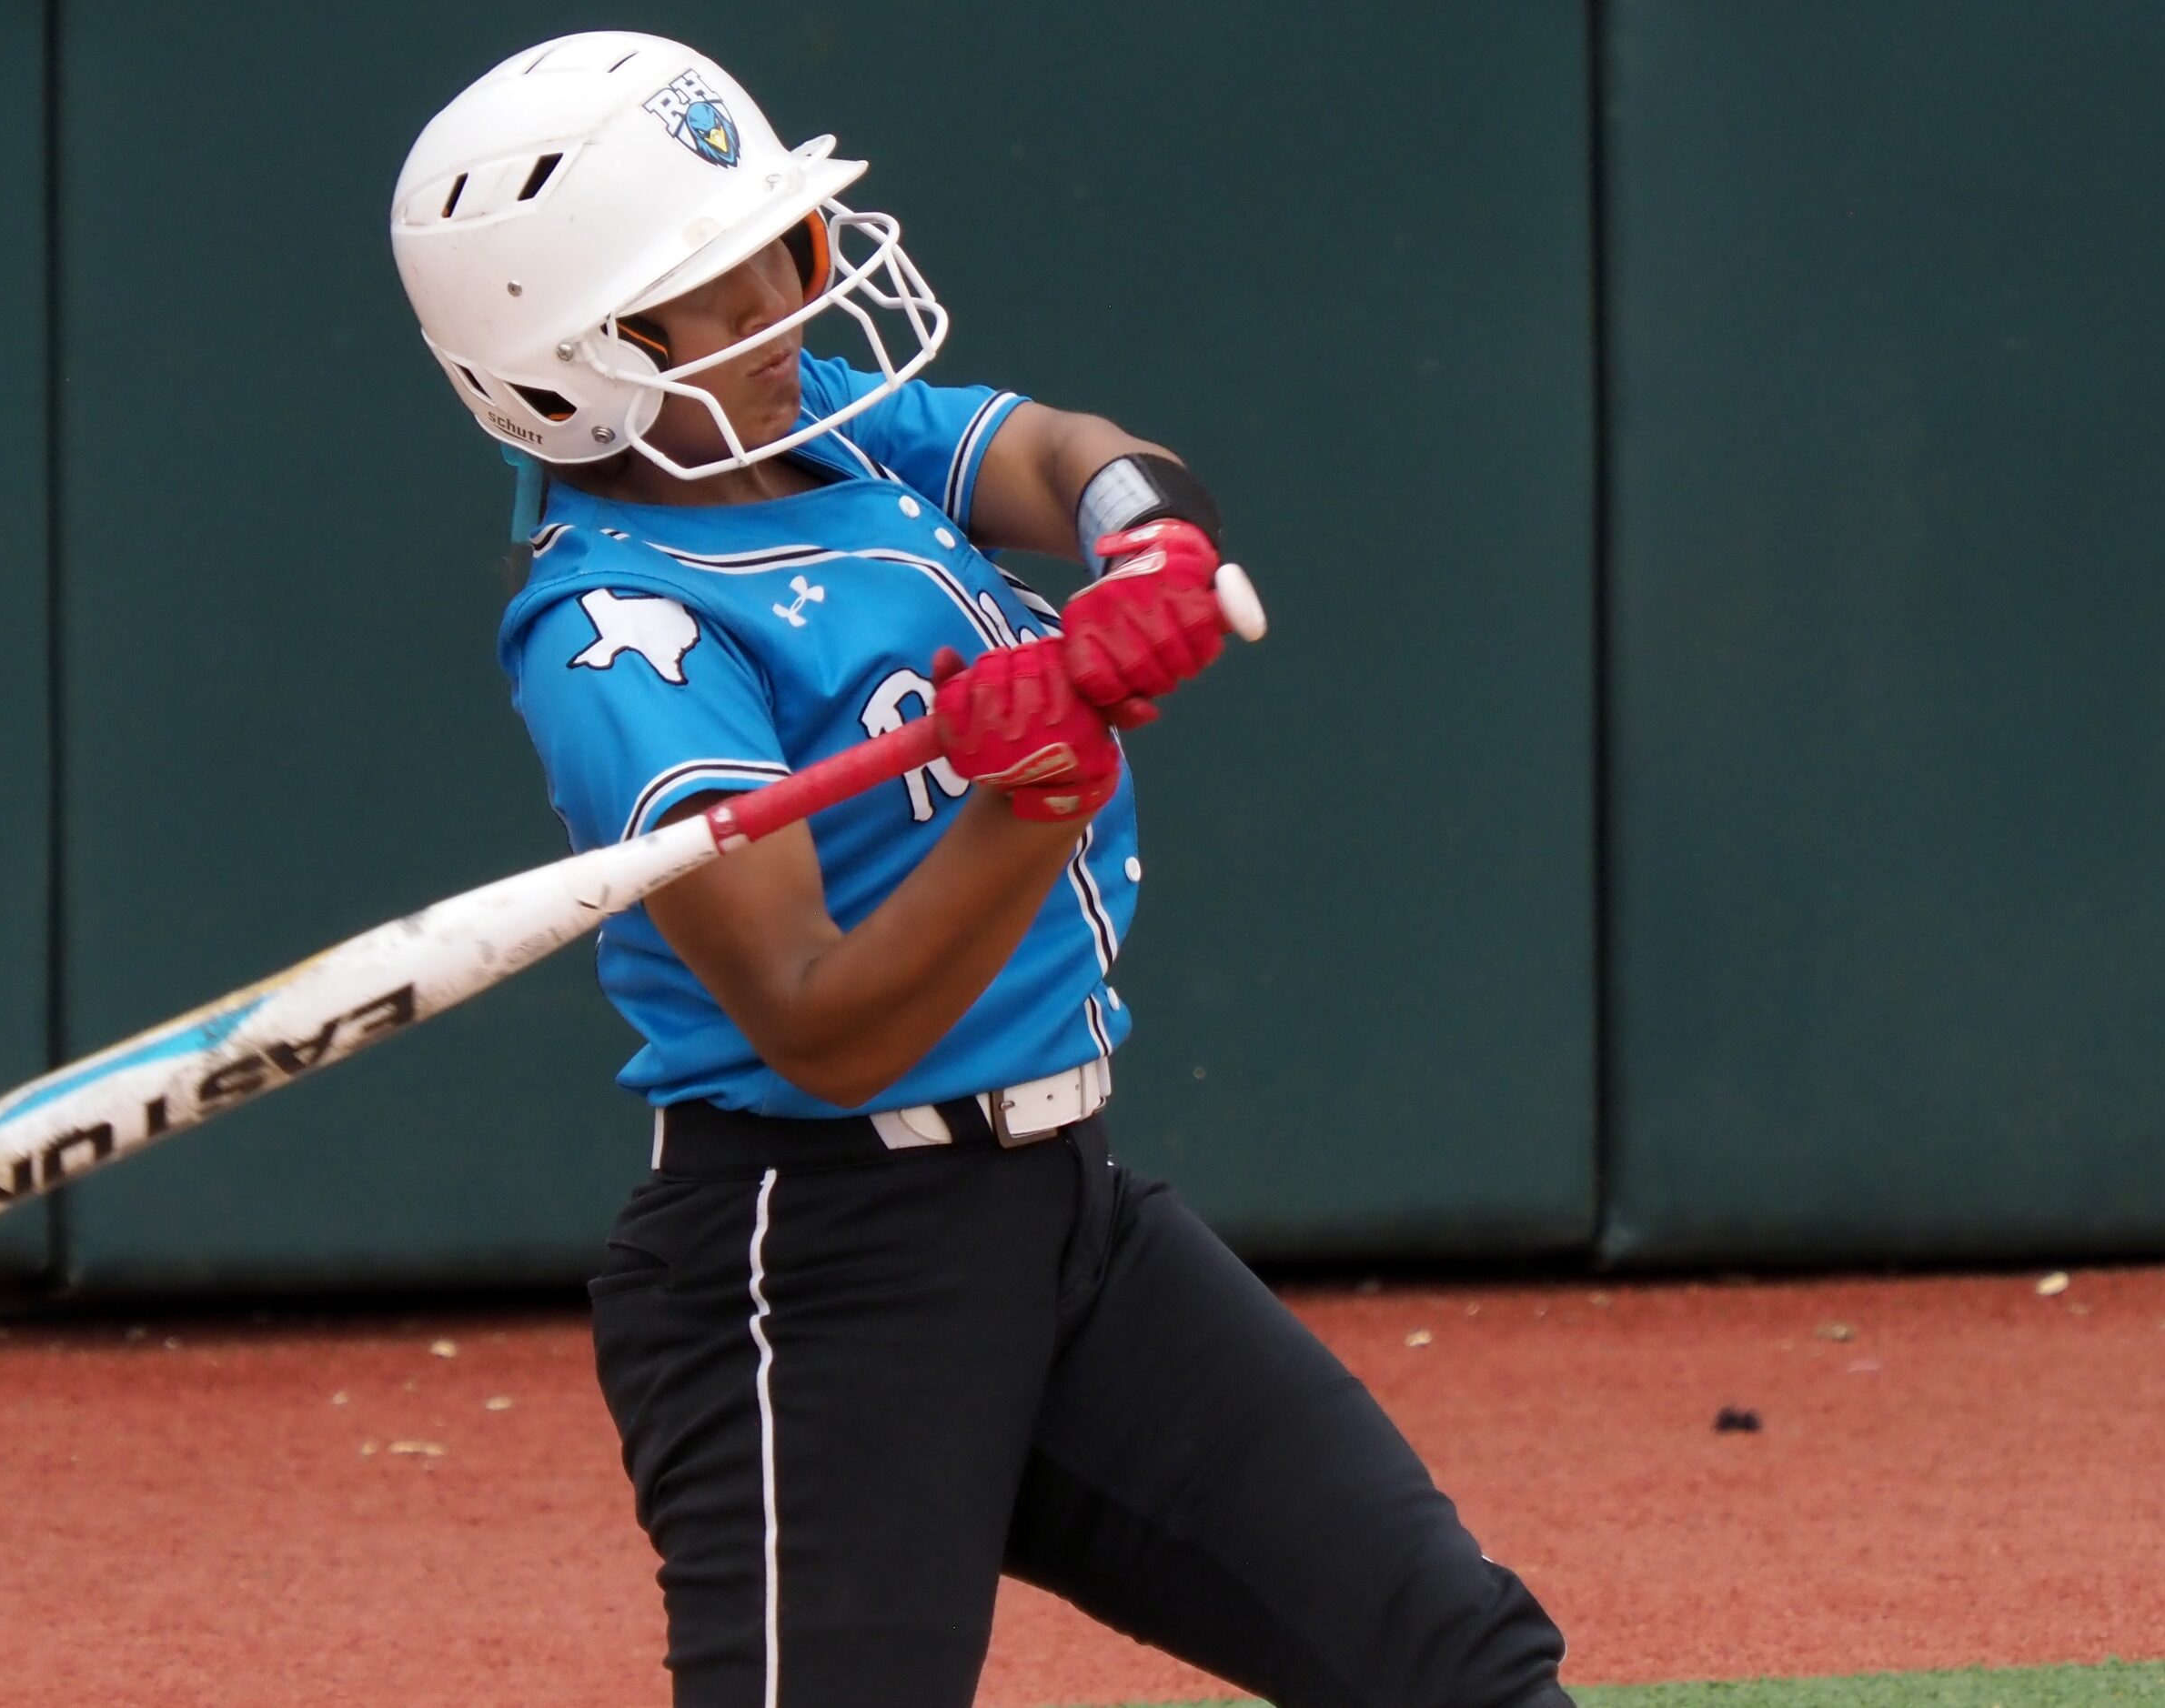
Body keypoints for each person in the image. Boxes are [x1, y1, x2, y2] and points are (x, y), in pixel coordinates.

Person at [389, 33, 1576, 1708]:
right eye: (725, 295)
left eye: (780, 257)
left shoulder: (842, 434)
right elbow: (820, 1019)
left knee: (1455, 1664)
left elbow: (1066, 450)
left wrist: (1144, 539)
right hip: (816, 1267)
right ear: (577, 366)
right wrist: (1030, 791)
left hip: (1064, 1218)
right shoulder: (615, 633)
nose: (789, 311)